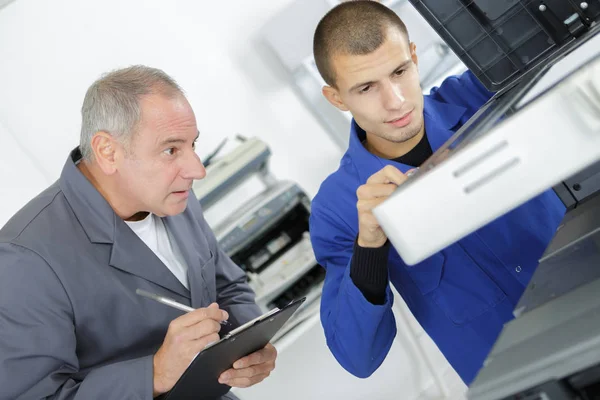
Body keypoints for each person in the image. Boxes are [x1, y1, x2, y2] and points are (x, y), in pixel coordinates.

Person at [309, 1, 565, 385]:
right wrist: (370, 245)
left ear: (414, 57)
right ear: (337, 98)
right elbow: (356, 356)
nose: (395, 100)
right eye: (366, 87)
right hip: (522, 382)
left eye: (399, 71)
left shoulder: (484, 93)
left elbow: (557, 28)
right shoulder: (337, 208)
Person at [0, 65, 277, 399]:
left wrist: (249, 344)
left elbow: (226, 285)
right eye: (171, 150)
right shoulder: (24, 259)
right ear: (108, 151)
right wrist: (155, 373)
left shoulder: (175, 197)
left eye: (193, 145)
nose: (197, 170)